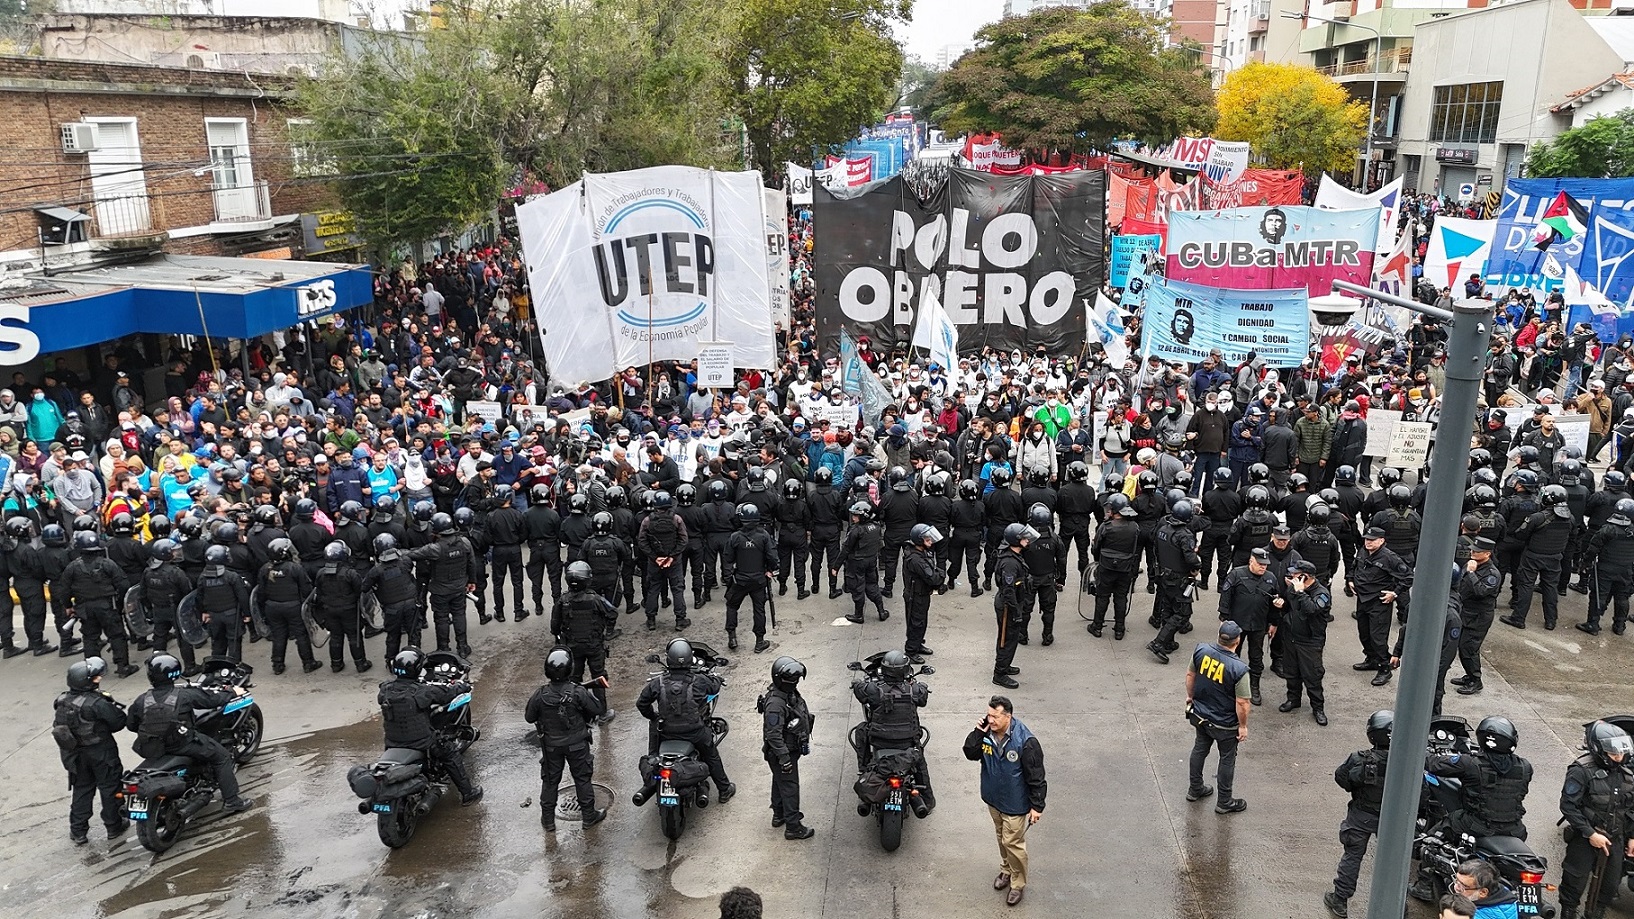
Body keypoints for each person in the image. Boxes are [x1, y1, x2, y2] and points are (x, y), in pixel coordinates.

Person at [126, 653, 254, 813]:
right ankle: (232, 801)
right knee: (222, 757)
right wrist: (232, 692)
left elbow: (131, 725)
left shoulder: (141, 700)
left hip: (151, 747)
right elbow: (212, 700)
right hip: (181, 744)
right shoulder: (184, 695)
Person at [962, 695, 1046, 908]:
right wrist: (978, 732)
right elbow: (970, 753)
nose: (990, 720)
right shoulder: (986, 734)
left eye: (995, 717)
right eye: (988, 715)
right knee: (1002, 838)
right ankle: (1006, 870)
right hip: (993, 799)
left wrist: (1037, 806)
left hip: (1015, 803)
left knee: (1013, 843)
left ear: (1008, 717)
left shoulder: (1026, 742)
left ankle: (1017, 884)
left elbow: (1036, 776)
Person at [636, 638, 735, 803]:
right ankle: (724, 790)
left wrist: (654, 716)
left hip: (666, 732)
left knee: (653, 739)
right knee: (711, 755)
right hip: (694, 733)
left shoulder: (658, 682)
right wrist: (717, 679)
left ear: (669, 659)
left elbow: (641, 704)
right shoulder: (699, 680)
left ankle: (654, 763)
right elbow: (714, 688)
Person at [1556, 721, 1634, 919]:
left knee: (1610, 885)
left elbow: (1631, 808)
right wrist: (1590, 833)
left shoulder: (1627, 775)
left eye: (1621, 753)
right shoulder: (1581, 770)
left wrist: (1632, 836)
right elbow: (1568, 806)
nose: (1618, 758)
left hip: (1615, 838)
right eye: (1613, 754)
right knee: (1574, 881)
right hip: (1586, 836)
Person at [525, 647, 606, 832]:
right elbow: (598, 709)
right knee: (582, 779)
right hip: (577, 745)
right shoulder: (577, 692)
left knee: (550, 781)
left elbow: (529, 717)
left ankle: (548, 821)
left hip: (551, 747)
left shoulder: (540, 694)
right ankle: (588, 817)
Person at [1324, 710, 1393, 918]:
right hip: (1393, 818)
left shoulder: (1359, 759)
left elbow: (1342, 778)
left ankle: (1340, 900)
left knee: (1352, 856)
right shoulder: (1407, 760)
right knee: (1394, 859)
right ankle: (1397, 903)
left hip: (1362, 814)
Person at [1425, 715, 1534, 846]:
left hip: (1477, 826)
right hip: (1515, 830)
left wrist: (1423, 752)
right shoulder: (1525, 767)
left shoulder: (1470, 763)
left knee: (1436, 834)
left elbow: (1434, 764)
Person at [52, 657, 128, 844]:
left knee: (82, 789)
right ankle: (114, 825)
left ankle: (78, 831)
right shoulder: (97, 703)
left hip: (75, 755)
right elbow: (119, 722)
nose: (98, 679)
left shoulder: (61, 701)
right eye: (94, 678)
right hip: (101, 752)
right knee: (110, 787)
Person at [852, 649, 935, 813]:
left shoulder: (873, 690)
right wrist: (922, 686)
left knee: (861, 729)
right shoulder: (914, 690)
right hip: (907, 742)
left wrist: (856, 684)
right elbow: (923, 698)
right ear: (905, 670)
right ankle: (927, 800)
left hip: (879, 741)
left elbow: (859, 692)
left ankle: (864, 768)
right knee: (919, 761)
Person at [1186, 621, 1251, 815]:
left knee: (1200, 749)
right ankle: (1224, 801)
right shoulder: (1239, 669)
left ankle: (1195, 788)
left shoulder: (1201, 651)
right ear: (1237, 641)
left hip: (1201, 715)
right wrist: (1243, 726)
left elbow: (1190, 675)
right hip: (1225, 724)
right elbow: (1242, 703)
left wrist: (1190, 697)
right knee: (1227, 759)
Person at [57, 531, 138, 677]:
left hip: (85, 608)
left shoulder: (72, 567)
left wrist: (68, 606)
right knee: (117, 635)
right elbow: (123, 584)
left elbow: (64, 589)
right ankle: (123, 667)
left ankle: (93, 670)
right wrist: (120, 603)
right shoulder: (108, 564)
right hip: (108, 607)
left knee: (90, 638)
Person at [1502, 484, 1575, 630]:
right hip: (1554, 557)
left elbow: (1521, 534)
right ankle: (1551, 621)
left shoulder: (1537, 518)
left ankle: (1518, 618)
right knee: (1550, 588)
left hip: (1533, 557)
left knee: (1526, 586)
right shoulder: (1570, 518)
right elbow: (1572, 537)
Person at [406, 513, 480, 657]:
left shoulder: (434, 548)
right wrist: (472, 581)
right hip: (459, 587)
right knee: (459, 615)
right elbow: (472, 563)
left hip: (440, 591)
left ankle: (443, 648)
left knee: (441, 619)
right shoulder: (464, 542)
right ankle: (463, 646)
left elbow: (412, 554)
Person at [551, 561, 617, 722]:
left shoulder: (563, 600)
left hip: (572, 647)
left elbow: (554, 626)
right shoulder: (596, 599)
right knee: (598, 677)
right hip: (594, 646)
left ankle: (575, 711)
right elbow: (612, 613)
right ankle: (602, 713)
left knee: (573, 679)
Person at [1218, 547, 1283, 706]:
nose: (1263, 567)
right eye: (1260, 564)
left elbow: (1275, 601)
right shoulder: (1236, 574)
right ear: (1251, 561)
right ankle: (1229, 686)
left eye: (1265, 564)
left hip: (1258, 624)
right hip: (1236, 624)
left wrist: (1274, 622)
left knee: (1256, 657)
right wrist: (1224, 619)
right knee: (1231, 655)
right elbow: (1225, 597)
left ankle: (1254, 687)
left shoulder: (1270, 578)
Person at [1350, 527, 1413, 686]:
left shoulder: (1390, 558)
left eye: (1372, 540)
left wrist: (1395, 593)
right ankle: (1371, 659)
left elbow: (1408, 577)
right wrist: (1350, 579)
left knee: (1378, 638)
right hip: (1362, 600)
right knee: (1364, 634)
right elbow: (1354, 566)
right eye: (1367, 539)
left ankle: (1385, 668)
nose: (1368, 542)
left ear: (1382, 540)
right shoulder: (1363, 551)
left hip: (1379, 603)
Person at [760, 655, 814, 840]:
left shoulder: (787, 694)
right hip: (782, 753)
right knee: (790, 788)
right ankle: (793, 827)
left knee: (780, 781)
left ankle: (779, 814)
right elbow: (773, 735)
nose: (795, 682)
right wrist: (784, 759)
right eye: (792, 680)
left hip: (788, 750)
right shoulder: (775, 705)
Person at [254, 537, 321, 675]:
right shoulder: (295, 568)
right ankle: (308, 663)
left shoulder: (265, 569)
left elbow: (261, 592)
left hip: (272, 607)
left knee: (278, 635)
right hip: (293, 606)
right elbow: (306, 589)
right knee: (301, 635)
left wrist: (264, 608)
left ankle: (277, 664)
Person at [1280, 560, 1331, 725]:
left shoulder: (1321, 593)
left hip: (1310, 641)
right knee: (1291, 672)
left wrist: (1301, 592)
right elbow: (1289, 606)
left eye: (1296, 573)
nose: (1292, 575)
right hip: (1292, 637)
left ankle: (1318, 708)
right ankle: (1293, 699)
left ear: (1305, 576)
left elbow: (1311, 610)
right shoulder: (1293, 588)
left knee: (1312, 676)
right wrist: (1281, 604)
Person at [141, 539, 202, 676]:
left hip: (158, 609)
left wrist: (150, 609)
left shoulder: (148, 571)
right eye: (173, 552)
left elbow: (142, 594)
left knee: (159, 637)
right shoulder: (176, 572)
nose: (176, 554)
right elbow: (187, 592)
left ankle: (155, 666)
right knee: (183, 638)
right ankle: (190, 666)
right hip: (176, 609)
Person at [1452, 538, 1502, 696]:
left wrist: (1472, 573)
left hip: (1479, 617)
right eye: (1472, 550)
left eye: (1477, 551)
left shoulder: (1492, 574)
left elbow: (1481, 591)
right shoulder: (1471, 564)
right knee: (1463, 646)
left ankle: (1475, 680)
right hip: (1466, 611)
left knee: (1469, 648)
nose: (1472, 552)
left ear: (1487, 554)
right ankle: (1469, 675)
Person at [724, 504, 777, 653]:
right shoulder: (764, 536)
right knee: (759, 609)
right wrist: (770, 570)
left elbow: (728, 558)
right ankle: (759, 641)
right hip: (759, 579)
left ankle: (732, 637)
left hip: (740, 579)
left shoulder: (735, 537)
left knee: (732, 605)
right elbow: (772, 557)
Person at [314, 541, 372, 673]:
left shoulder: (321, 573)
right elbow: (360, 592)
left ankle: (336, 664)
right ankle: (361, 663)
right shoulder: (350, 573)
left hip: (329, 609)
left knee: (335, 636)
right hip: (349, 610)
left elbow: (319, 593)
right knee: (354, 636)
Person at [361, 534, 421, 660]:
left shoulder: (376, 571)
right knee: (413, 633)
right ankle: (415, 658)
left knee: (393, 635)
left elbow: (364, 587)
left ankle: (391, 660)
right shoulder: (405, 561)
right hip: (411, 603)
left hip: (392, 608)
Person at [1579, 498, 1634, 635]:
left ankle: (1592, 624)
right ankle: (1619, 626)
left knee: (1599, 596)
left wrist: (1586, 563)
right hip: (1625, 569)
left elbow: (1593, 548)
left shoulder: (1607, 529)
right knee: (1622, 597)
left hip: (1605, 569)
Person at [1089, 495, 1140, 638]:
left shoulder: (1106, 527)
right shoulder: (1134, 527)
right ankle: (1119, 629)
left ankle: (1097, 626)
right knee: (1121, 597)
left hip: (1106, 567)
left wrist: (1098, 560)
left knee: (1102, 596)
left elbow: (1096, 547)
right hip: (1125, 568)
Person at [638, 490, 689, 631]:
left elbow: (642, 541)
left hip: (655, 562)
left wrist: (655, 557)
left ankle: (651, 620)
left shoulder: (647, 521)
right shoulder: (676, 519)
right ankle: (680, 620)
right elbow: (683, 540)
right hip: (673, 562)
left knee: (653, 589)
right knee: (677, 589)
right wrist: (672, 556)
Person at [991, 522, 1033, 688]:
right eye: (1024, 538)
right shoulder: (1009, 563)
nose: (1027, 540)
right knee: (1007, 639)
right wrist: (1016, 612)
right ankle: (999, 673)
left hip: (1013, 602)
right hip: (1008, 606)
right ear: (1015, 540)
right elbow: (1008, 591)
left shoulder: (1014, 555)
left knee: (1011, 638)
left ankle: (1005, 664)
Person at [1018, 503, 1065, 646]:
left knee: (1025, 609)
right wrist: (1061, 578)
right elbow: (1062, 559)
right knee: (1049, 609)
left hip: (1028, 579)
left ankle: (1022, 635)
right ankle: (1047, 635)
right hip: (1048, 578)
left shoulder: (1025, 539)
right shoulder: (1055, 538)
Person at [195, 545, 250, 662]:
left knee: (217, 644)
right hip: (232, 616)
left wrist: (203, 612)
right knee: (234, 643)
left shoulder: (202, 578)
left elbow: (199, 597)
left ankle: (217, 667)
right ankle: (233, 667)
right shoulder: (231, 576)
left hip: (213, 616)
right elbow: (242, 597)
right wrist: (247, 614)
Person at [838, 500, 888, 625]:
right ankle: (881, 611)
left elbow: (846, 549)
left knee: (857, 588)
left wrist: (836, 566)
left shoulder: (856, 530)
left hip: (857, 563)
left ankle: (858, 615)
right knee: (872, 586)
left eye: (856, 515)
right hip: (871, 561)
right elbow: (880, 545)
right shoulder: (876, 527)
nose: (853, 518)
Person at [901, 523, 946, 662]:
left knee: (921, 622)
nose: (930, 542)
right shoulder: (916, 559)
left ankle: (918, 644)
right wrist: (941, 574)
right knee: (916, 623)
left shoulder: (920, 552)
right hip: (916, 596)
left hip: (921, 594)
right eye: (927, 540)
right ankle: (911, 651)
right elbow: (933, 578)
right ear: (919, 541)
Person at [1450, 860, 1518, 919]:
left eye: (1463, 886)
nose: (1456, 887)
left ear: (1483, 892)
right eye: (1456, 880)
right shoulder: (1504, 895)